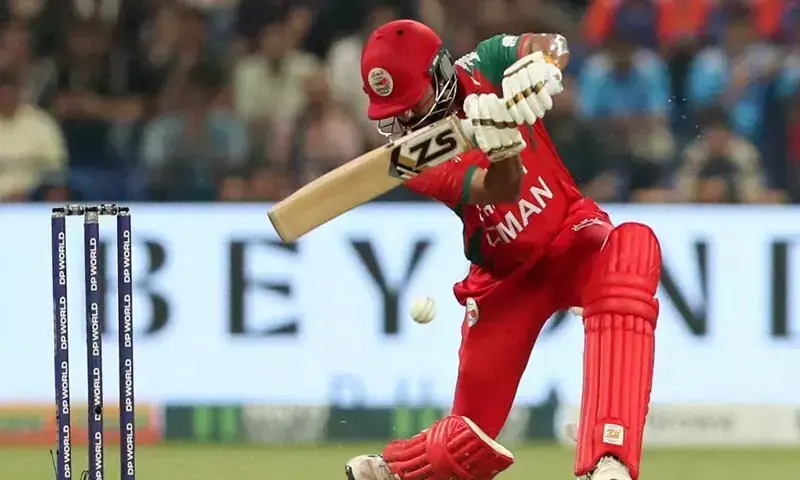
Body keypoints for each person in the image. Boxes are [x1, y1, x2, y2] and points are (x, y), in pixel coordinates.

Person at [346, 20, 661, 480]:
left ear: (440, 71)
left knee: (631, 250)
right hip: (504, 281)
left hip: (571, 235)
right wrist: (503, 145)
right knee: (464, 443)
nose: (407, 121)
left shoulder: (485, 62)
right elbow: (501, 187)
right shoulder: (411, 156)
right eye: (396, 112)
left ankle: (608, 459)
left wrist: (543, 67)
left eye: (413, 105)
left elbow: (553, 45)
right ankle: (397, 470)